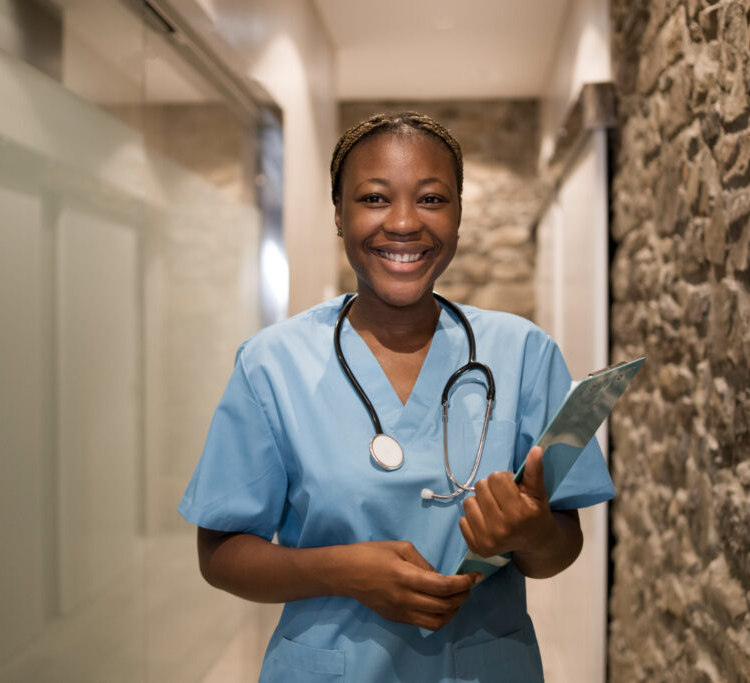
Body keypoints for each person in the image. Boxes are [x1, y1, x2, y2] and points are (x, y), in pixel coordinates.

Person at [178, 111, 615, 682]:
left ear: (458, 214)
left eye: (432, 199)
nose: (404, 223)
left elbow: (560, 549)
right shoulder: (273, 364)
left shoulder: (524, 354)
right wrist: (341, 571)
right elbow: (220, 555)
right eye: (375, 198)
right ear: (339, 215)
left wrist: (530, 534)